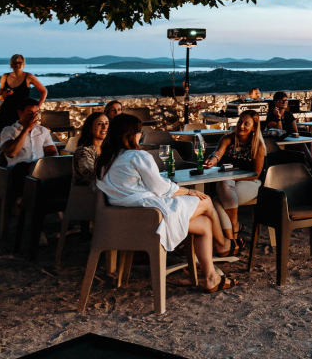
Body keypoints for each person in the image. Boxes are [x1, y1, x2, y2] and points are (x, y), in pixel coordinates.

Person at [95, 114, 235, 292]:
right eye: (139, 132)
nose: (141, 136)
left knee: (205, 224)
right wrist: (191, 191)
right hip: (151, 216)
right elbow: (161, 188)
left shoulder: (103, 160)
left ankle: (211, 278)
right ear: (130, 135)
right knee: (206, 200)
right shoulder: (137, 156)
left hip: (126, 220)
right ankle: (223, 245)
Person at [204, 110, 265, 248]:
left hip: (251, 183)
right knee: (225, 183)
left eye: (246, 124)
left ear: (254, 127)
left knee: (216, 201)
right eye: (239, 122)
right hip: (228, 183)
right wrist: (212, 160)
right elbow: (218, 153)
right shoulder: (228, 139)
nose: (241, 126)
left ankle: (232, 238)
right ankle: (233, 239)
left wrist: (233, 178)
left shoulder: (258, 146)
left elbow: (256, 174)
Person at [0, 97, 58, 168]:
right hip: (17, 168)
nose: (34, 116)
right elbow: (12, 153)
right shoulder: (8, 130)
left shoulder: (42, 130)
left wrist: (47, 164)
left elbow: (52, 152)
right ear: (20, 113)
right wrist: (27, 128)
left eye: (36, 113)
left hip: (39, 167)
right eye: (29, 113)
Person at [0, 55, 47, 132]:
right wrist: (5, 95)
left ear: (23, 64)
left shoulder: (28, 76)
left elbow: (43, 91)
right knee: (4, 134)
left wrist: (37, 107)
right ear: (11, 64)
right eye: (15, 63)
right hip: (6, 111)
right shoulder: (5, 76)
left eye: (20, 62)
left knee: (22, 134)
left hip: (22, 112)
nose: (17, 65)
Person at [72, 111, 109, 187]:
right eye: (99, 124)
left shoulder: (109, 149)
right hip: (87, 194)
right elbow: (91, 177)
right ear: (90, 127)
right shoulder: (83, 152)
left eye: (107, 123)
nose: (104, 127)